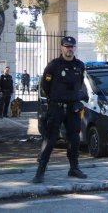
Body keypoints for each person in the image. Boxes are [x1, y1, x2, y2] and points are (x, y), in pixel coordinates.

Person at [32, 36, 87, 183]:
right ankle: (40, 171)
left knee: (74, 139)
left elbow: (80, 84)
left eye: (72, 46)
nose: (69, 49)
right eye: (67, 46)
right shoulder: (53, 65)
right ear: (61, 47)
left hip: (73, 109)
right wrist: (55, 98)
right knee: (50, 139)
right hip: (56, 107)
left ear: (75, 48)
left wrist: (74, 99)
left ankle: (74, 168)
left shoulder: (80, 65)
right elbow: (46, 85)